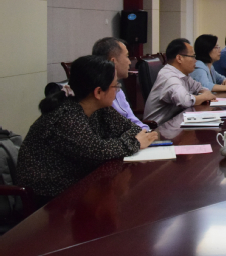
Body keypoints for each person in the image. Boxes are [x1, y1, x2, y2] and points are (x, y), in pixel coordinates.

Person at [16, 56, 157, 203]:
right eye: (115, 86)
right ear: (98, 92)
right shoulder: (66, 117)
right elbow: (98, 151)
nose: (117, 91)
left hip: (82, 184)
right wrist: (135, 142)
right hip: (50, 197)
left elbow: (133, 129)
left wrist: (130, 140)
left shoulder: (100, 108)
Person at [144, 38, 216, 125]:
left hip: (175, 123)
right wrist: (204, 97)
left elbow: (199, 87)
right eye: (193, 56)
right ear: (179, 58)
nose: (195, 60)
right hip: (159, 128)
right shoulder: (169, 76)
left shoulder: (183, 75)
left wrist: (205, 93)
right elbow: (185, 101)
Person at [91, 37, 149, 130]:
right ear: (113, 62)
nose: (129, 62)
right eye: (127, 56)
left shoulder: (118, 89)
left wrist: (147, 132)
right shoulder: (100, 94)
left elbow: (133, 120)